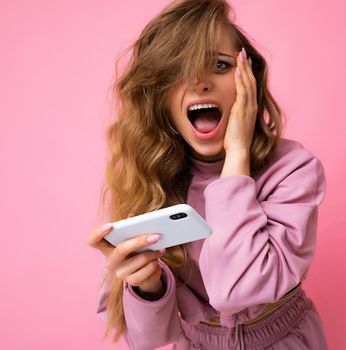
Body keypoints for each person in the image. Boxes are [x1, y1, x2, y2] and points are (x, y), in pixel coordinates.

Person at [85, 0, 328, 349]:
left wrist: (237, 158)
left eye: (219, 64)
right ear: (159, 96)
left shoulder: (293, 169)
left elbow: (236, 292)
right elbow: (148, 339)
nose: (200, 82)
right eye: (180, 69)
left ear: (248, 82)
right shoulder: (149, 177)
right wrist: (147, 285)